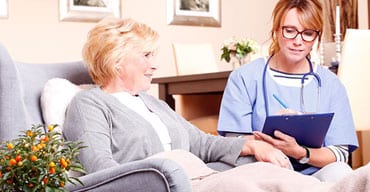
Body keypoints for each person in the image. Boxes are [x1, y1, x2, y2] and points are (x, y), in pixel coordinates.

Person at [62, 17, 370, 192]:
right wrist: (158, 171)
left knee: (283, 179)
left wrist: (252, 146)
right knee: (252, 189)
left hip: (204, 172)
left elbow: (201, 142)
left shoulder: (150, 103)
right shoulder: (89, 104)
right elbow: (100, 172)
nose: (155, 65)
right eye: (146, 56)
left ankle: (356, 183)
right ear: (116, 59)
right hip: (172, 181)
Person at [217, 0, 358, 182]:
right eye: (290, 31)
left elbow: (339, 152)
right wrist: (271, 142)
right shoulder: (244, 77)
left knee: (341, 173)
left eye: (308, 33)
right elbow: (234, 142)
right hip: (263, 168)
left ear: (316, 37)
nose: (298, 41)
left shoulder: (331, 84)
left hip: (314, 171)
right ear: (276, 30)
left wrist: (300, 152)